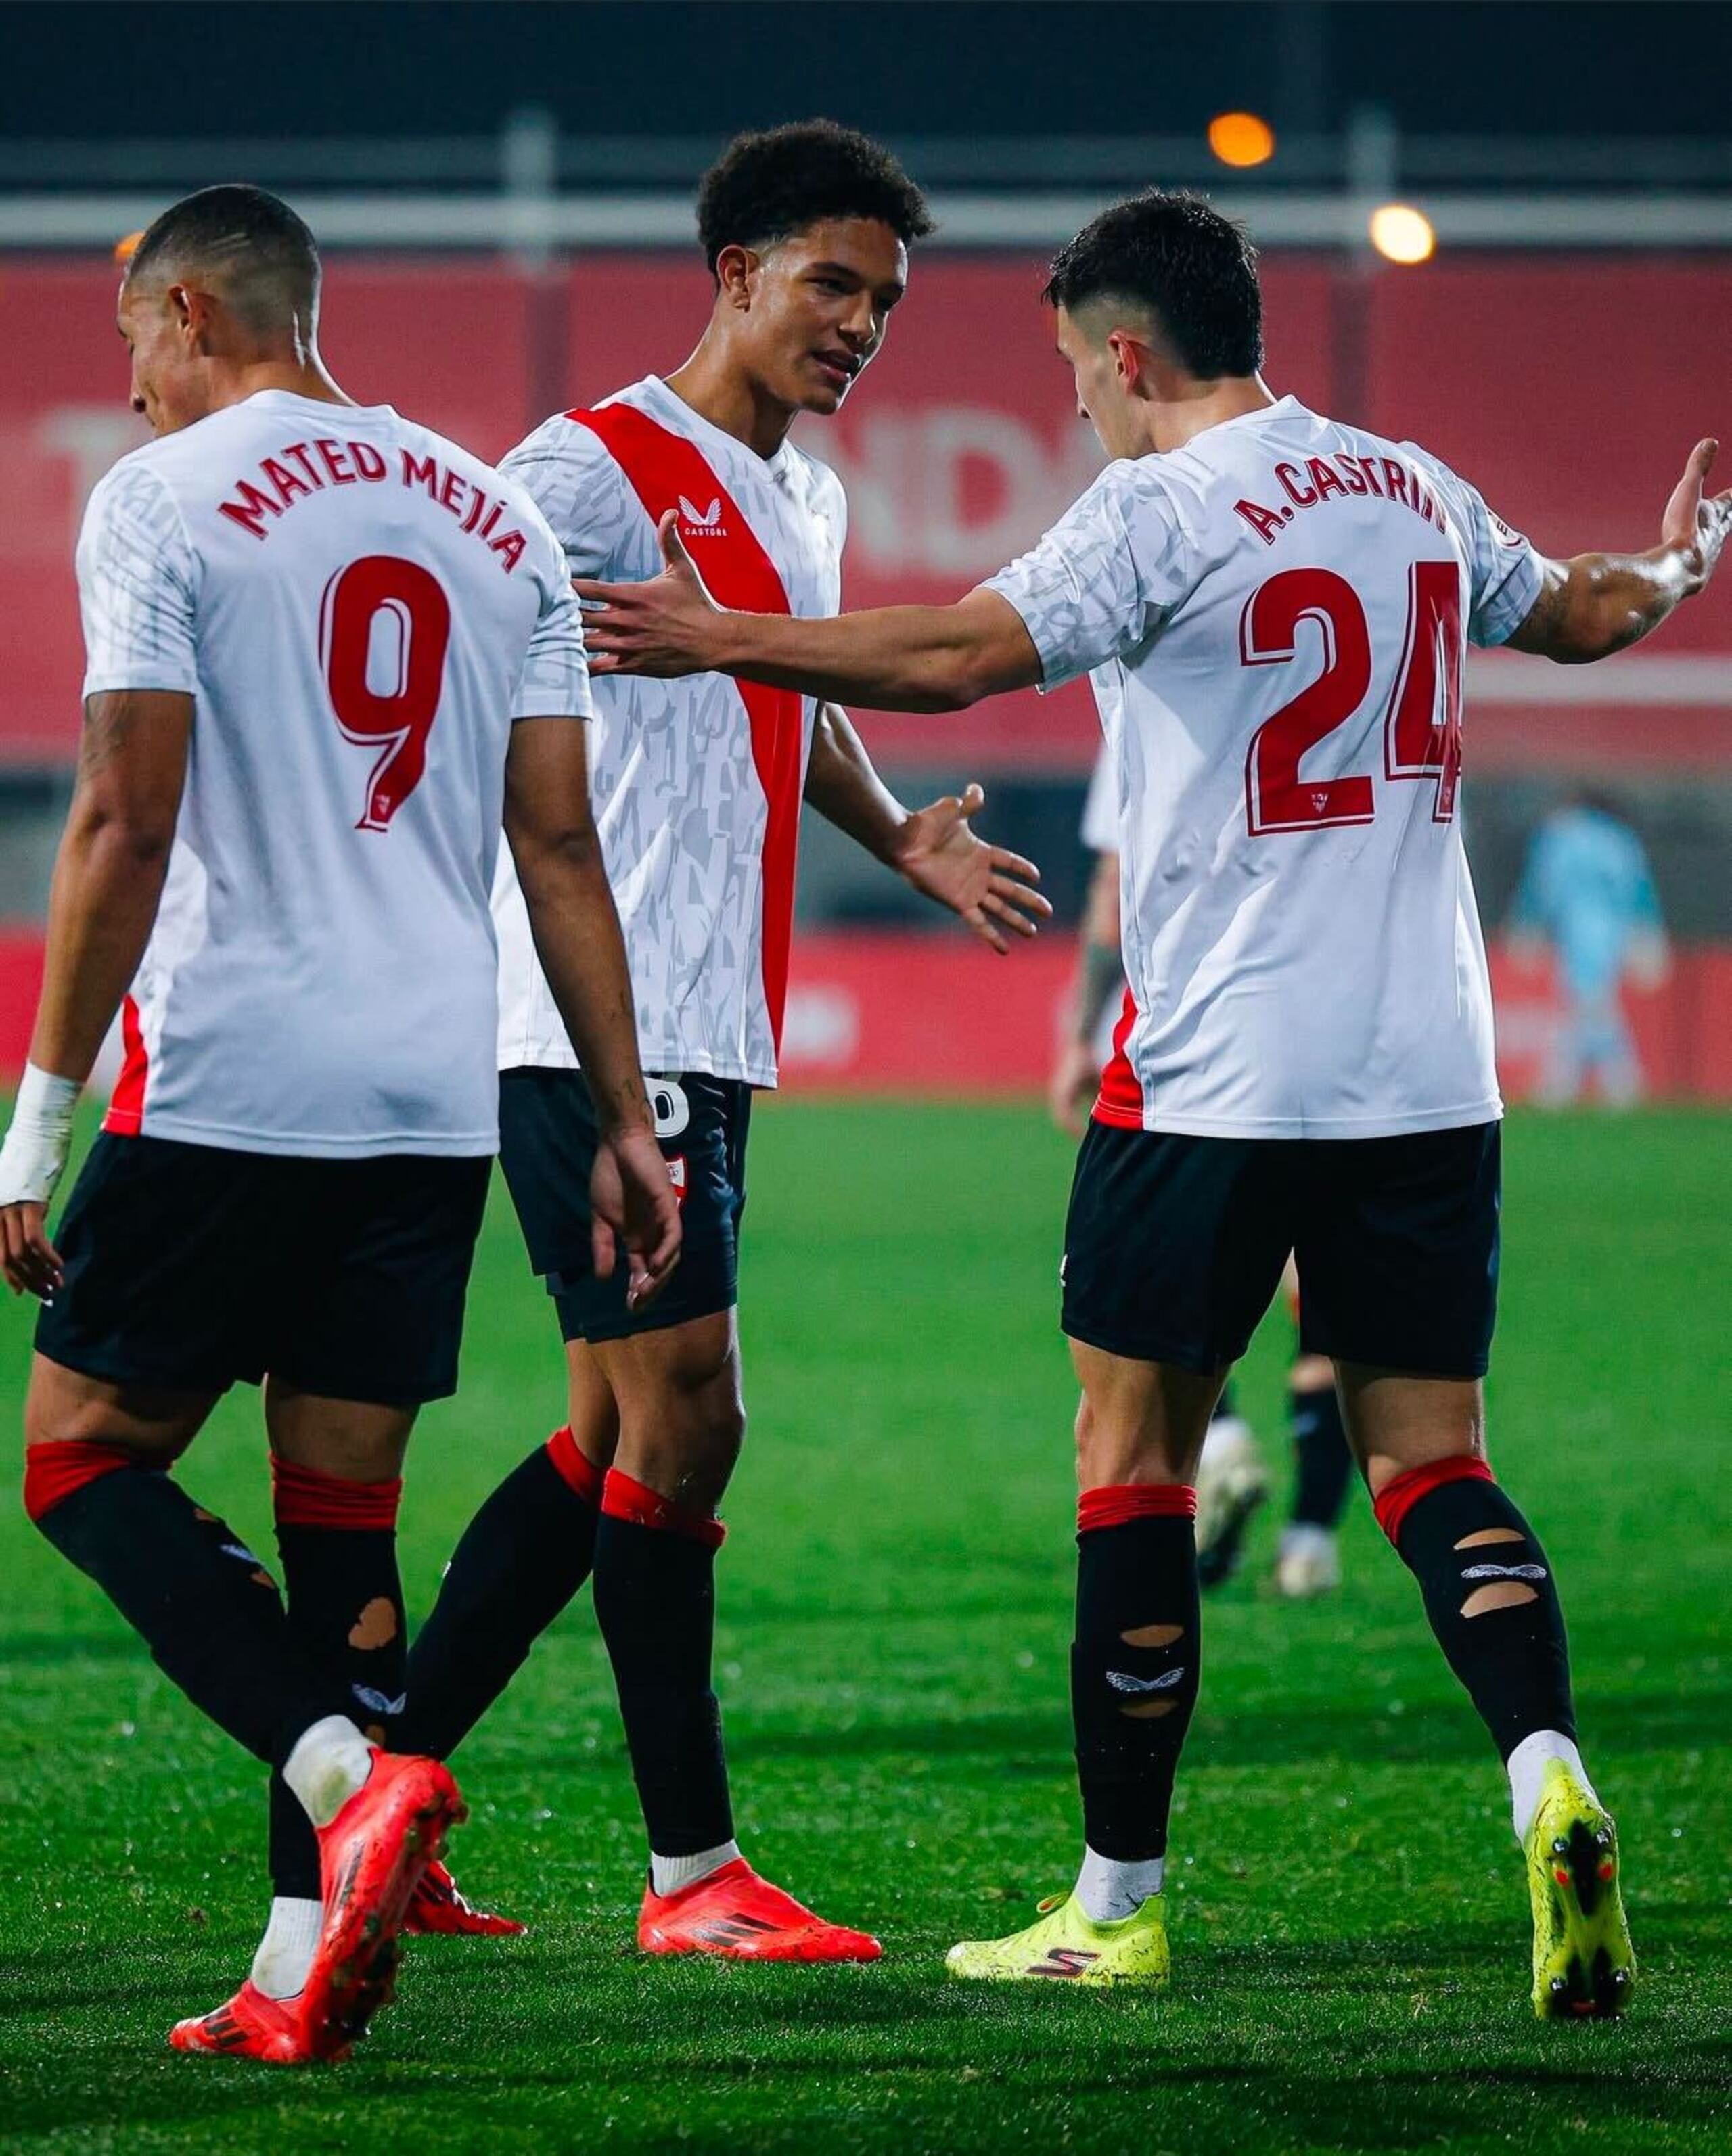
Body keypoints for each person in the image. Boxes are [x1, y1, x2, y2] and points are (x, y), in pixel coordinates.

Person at [573, 187, 1732, 2016]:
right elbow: (1588, 614)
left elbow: (961, 653)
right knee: (1436, 1460)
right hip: (1426, 1070)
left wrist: (721, 638)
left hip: (1210, 1074)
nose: (1083, 414)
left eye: (1076, 378)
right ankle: (1547, 1776)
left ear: (1125, 352)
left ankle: (1116, 1899)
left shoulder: (1163, 505)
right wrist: (1679, 567)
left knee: (1134, 1458)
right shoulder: (1408, 483)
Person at [0, 185, 679, 2065]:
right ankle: (301, 1967)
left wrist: (26, 1133)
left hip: (229, 1070)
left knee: (79, 1461)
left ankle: (338, 1771)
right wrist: (623, 1117)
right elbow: (561, 843)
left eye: (130, 327)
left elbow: (122, 825)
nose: (124, 372)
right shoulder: (496, 518)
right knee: (341, 1524)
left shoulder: (166, 499)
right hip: (426, 1088)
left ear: (197, 309)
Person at [367, 120, 1050, 1961]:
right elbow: (445, 686)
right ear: (733, 273)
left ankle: (383, 1800)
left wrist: (895, 830)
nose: (861, 328)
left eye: (886, 303)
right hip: (603, 1026)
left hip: (709, 1020)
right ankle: (692, 1881)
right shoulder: (580, 471)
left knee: (606, 1436)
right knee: (696, 1419)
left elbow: (788, 683)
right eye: (830, 285)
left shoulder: (805, 501)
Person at [1051, 748, 1280, 1592]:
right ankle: (1308, 1540)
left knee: (1140, 1324)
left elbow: (1112, 897)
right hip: (1315, 1043)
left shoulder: (1145, 703)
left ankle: (1216, 1452)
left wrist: (1077, 1030)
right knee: (1311, 1288)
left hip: (1173, 1059)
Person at [1507, 787, 1670, 1105]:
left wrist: (1527, 924)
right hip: (1614, 930)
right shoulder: (1620, 839)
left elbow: (1543, 886)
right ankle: (1596, 1077)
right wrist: (1648, 932)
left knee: (1589, 1000)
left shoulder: (1560, 836)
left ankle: (1604, 1078)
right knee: (1591, 1000)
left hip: (1577, 928)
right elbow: (1639, 890)